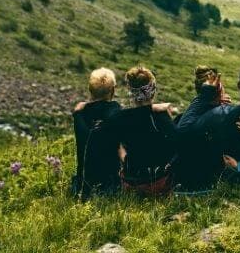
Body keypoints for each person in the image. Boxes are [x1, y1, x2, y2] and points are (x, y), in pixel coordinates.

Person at [100, 66, 180, 197]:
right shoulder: (160, 116)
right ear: (153, 91)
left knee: (117, 145)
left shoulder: (122, 117)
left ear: (131, 93)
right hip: (158, 182)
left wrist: (124, 158)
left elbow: (107, 130)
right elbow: (177, 143)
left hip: (130, 182)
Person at [70, 68, 121, 198]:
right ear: (113, 91)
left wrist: (77, 112)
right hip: (109, 182)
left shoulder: (80, 113)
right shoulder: (115, 110)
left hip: (84, 182)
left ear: (90, 90)